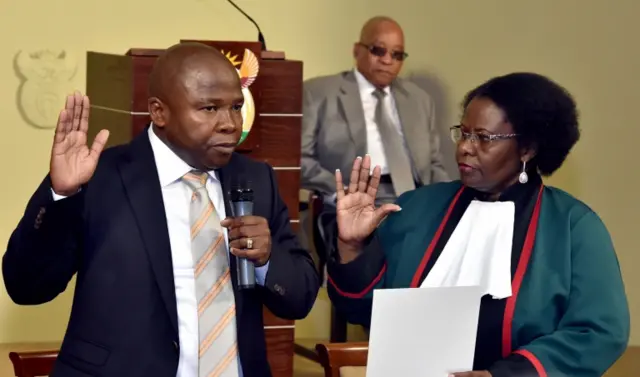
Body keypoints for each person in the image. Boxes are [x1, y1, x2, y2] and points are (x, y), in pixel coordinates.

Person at [2, 42, 319, 377]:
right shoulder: (99, 178)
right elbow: (27, 287)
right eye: (209, 109)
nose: (230, 123)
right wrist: (60, 195)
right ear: (159, 112)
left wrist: (267, 262)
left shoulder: (256, 179)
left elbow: (299, 298)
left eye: (236, 106)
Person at [326, 72, 629, 377]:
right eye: (464, 133)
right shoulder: (416, 208)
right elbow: (362, 310)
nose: (465, 148)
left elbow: (599, 332)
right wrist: (352, 246)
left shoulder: (573, 226)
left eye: (483, 138)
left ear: (528, 148)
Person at [301, 16, 449, 206]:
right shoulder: (319, 93)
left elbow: (434, 165)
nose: (387, 60)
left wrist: (451, 202)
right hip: (354, 196)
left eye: (397, 55)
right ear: (357, 50)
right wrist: (339, 192)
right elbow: (301, 159)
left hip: (415, 197)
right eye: (378, 51)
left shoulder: (419, 100)